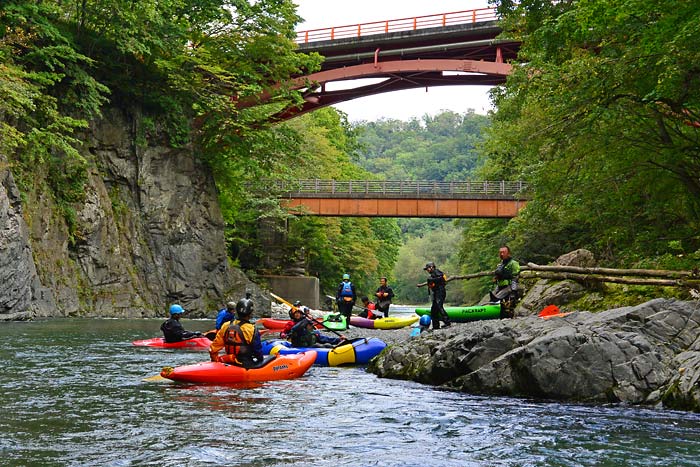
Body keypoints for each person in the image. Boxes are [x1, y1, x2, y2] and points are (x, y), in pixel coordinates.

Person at [208, 296, 263, 368]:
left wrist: (215, 360)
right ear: (250, 313)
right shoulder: (251, 329)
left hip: (229, 361)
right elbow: (257, 351)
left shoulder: (225, 325)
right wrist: (261, 361)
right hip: (245, 364)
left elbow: (213, 348)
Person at [423, 262, 451, 330]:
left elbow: (442, 279)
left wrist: (432, 280)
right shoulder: (432, 274)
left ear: (432, 267)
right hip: (436, 292)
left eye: (428, 268)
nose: (427, 270)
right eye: (427, 269)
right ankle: (436, 326)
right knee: (433, 310)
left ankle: (447, 323)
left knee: (439, 306)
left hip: (440, 291)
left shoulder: (437, 271)